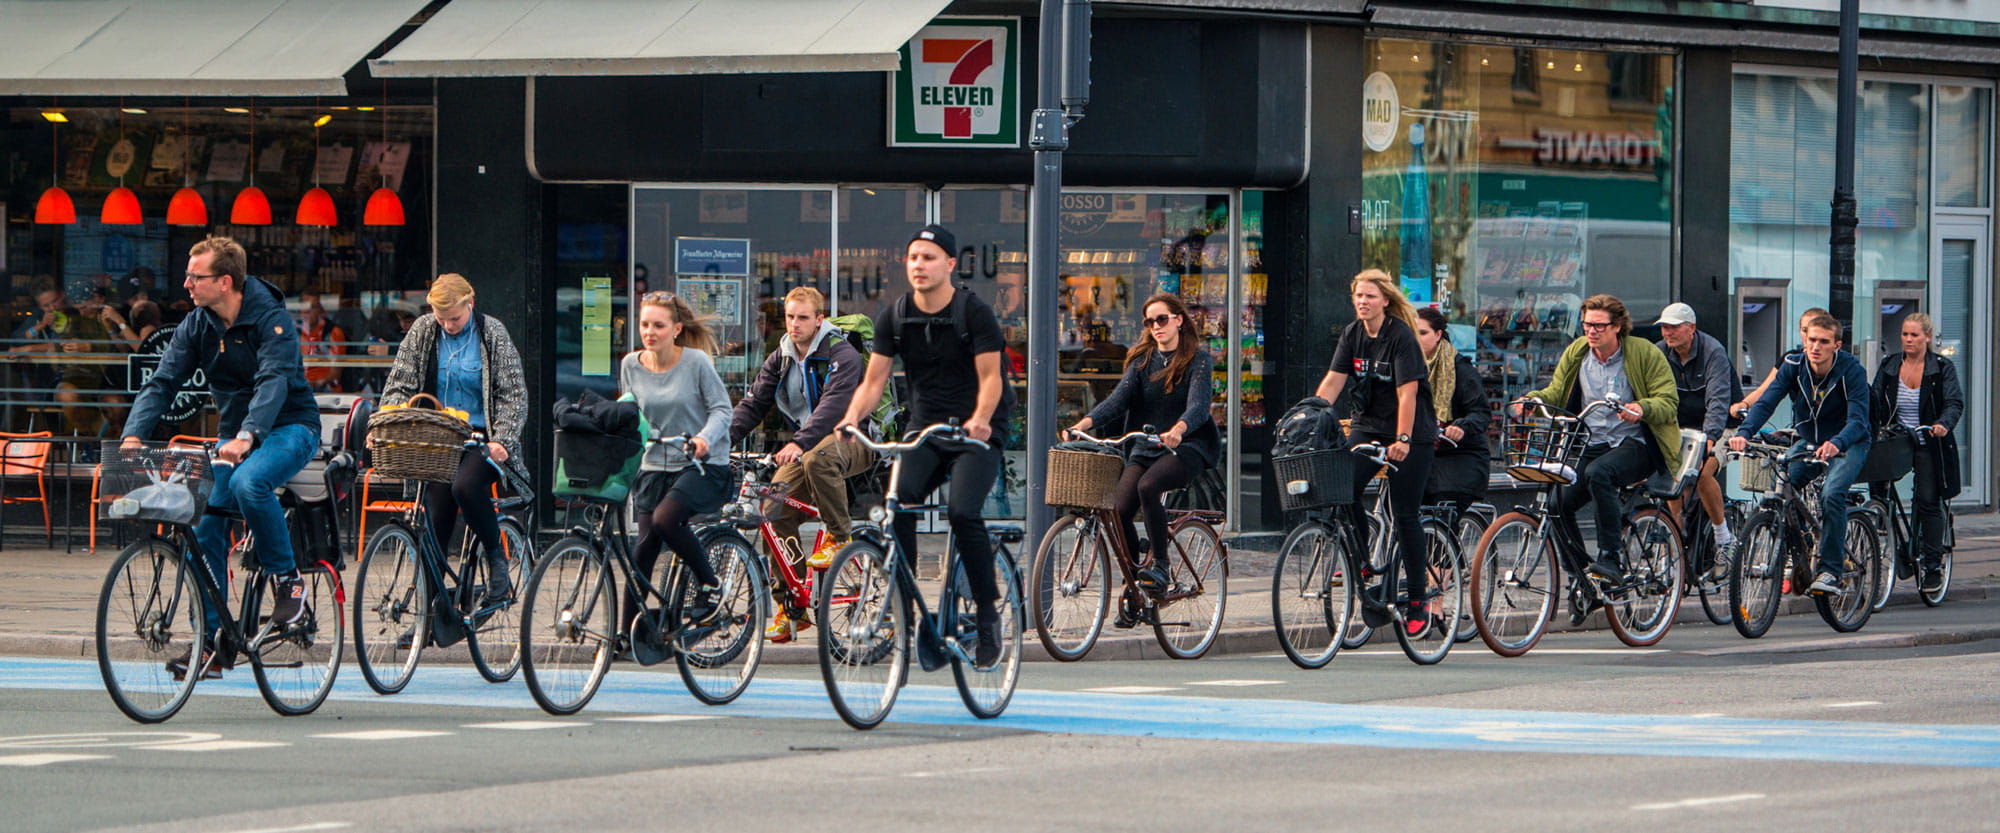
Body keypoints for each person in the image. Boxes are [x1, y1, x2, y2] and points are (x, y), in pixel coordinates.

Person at [122, 236, 322, 679]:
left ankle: (288, 581)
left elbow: (273, 382)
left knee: (251, 483)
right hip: (236, 437)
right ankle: (214, 643)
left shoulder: (272, 321)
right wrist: (134, 434)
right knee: (205, 520)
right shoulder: (197, 325)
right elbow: (163, 381)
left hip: (291, 428)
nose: (187, 283)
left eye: (196, 276)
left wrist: (249, 434)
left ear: (225, 281)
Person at [837, 224, 1009, 667]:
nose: (919, 265)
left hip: (977, 431)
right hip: (925, 429)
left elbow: (992, 378)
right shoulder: (893, 316)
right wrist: (852, 417)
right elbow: (874, 381)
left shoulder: (974, 313)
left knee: (962, 511)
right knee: (898, 504)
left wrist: (981, 421)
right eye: (913, 257)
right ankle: (905, 610)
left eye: (929, 257)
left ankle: (988, 615)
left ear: (950, 264)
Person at [728, 286, 877, 641]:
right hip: (808, 444)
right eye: (790, 317)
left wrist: (798, 442)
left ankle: (841, 537)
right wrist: (718, 441)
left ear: (819, 320)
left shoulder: (842, 353)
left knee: (817, 458)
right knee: (772, 507)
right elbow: (753, 405)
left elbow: (834, 408)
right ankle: (791, 606)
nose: (794, 324)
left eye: (803, 318)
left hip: (853, 437)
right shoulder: (780, 357)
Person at [1517, 294, 1680, 599]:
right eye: (1586, 324)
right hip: (1590, 441)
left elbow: (1668, 402)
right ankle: (1582, 574)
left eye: (1599, 326)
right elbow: (1557, 390)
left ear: (1617, 326)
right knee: (1556, 505)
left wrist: (1641, 408)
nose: (1591, 331)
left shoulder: (1643, 353)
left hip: (1636, 443)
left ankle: (1610, 557)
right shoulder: (1578, 352)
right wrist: (1534, 399)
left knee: (1598, 473)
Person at [380, 274, 528, 599]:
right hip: (438, 440)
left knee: (466, 485)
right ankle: (429, 614)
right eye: (441, 317)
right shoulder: (423, 331)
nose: (448, 325)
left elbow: (513, 394)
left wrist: (502, 440)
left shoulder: (492, 333)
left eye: (455, 318)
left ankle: (496, 558)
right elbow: (399, 383)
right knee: (436, 515)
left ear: (470, 304)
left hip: (482, 438)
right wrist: (389, 420)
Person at [1066, 292, 1218, 601]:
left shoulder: (1197, 360)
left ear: (1178, 320)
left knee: (1148, 486)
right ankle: (1138, 584)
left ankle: (1160, 566)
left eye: (1162, 319)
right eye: (1150, 322)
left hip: (1186, 446)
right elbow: (1118, 401)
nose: (1156, 327)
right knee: (1119, 510)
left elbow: (1199, 406)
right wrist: (1083, 424)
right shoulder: (1141, 362)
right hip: (1146, 445)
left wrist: (1178, 429)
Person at [1314, 270, 1440, 636]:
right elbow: (1335, 380)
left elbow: (1408, 393)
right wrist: (1311, 412)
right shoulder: (1353, 334)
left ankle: (1417, 600)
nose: (1362, 302)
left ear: (1385, 300)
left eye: (1369, 296)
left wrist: (1402, 438)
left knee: (1405, 515)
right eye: (1357, 296)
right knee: (1342, 485)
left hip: (1410, 432)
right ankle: (1364, 560)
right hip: (1368, 424)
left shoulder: (1400, 336)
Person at [1729, 313, 1872, 595]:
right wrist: (1744, 433)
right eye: (1811, 340)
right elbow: (1767, 401)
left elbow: (1858, 420)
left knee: (1832, 494)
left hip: (1849, 441)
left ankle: (1830, 570)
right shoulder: (1794, 365)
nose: (1816, 347)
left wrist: (1837, 443)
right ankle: (1803, 551)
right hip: (1809, 440)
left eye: (1823, 341)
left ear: (1837, 346)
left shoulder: (1851, 371)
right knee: (1781, 488)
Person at [623, 291, 735, 629]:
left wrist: (703, 439)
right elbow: (631, 414)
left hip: (701, 465)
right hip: (654, 466)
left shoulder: (696, 362)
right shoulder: (631, 364)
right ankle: (627, 633)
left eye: (658, 325)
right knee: (642, 550)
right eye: (644, 325)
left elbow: (722, 409)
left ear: (676, 329)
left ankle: (711, 585)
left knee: (666, 519)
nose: (650, 332)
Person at [1870, 313, 1962, 594]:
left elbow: (1954, 402)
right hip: (1896, 440)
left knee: (1927, 500)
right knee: (1879, 496)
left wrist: (1942, 424)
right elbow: (1874, 399)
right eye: (1904, 335)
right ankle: (1895, 545)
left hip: (1928, 440)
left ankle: (1932, 565)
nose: (1908, 340)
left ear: (1927, 338)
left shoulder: (1941, 368)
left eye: (1914, 335)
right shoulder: (1889, 365)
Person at [1654, 302, 1738, 574]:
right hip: (1681, 429)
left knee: (1702, 474)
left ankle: (1723, 537)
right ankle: (1675, 541)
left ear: (1691, 328)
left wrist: (1710, 437)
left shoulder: (1713, 352)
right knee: (1672, 475)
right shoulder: (1659, 353)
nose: (1668, 333)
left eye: (1674, 327)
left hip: (1723, 426)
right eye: (1665, 327)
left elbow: (1718, 401)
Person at [1413, 306, 1490, 507]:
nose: (1416, 338)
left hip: (1460, 455)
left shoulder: (1461, 370)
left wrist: (1460, 427)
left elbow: (1480, 413)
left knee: (1441, 512)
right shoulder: (1407, 367)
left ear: (1438, 334)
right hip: (1424, 453)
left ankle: (1443, 538)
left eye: (1422, 332)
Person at [1731, 307, 1830, 419]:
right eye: (1804, 330)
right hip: (1803, 426)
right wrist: (1745, 404)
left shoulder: (1844, 364)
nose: (1809, 336)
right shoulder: (1791, 361)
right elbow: (1767, 391)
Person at [297, 293, 348, 392]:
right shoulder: (294, 332)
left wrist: (314, 384)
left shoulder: (332, 332)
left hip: (325, 391)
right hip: (300, 388)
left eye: (313, 307)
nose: (307, 311)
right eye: (304, 306)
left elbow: (335, 375)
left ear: (320, 310)